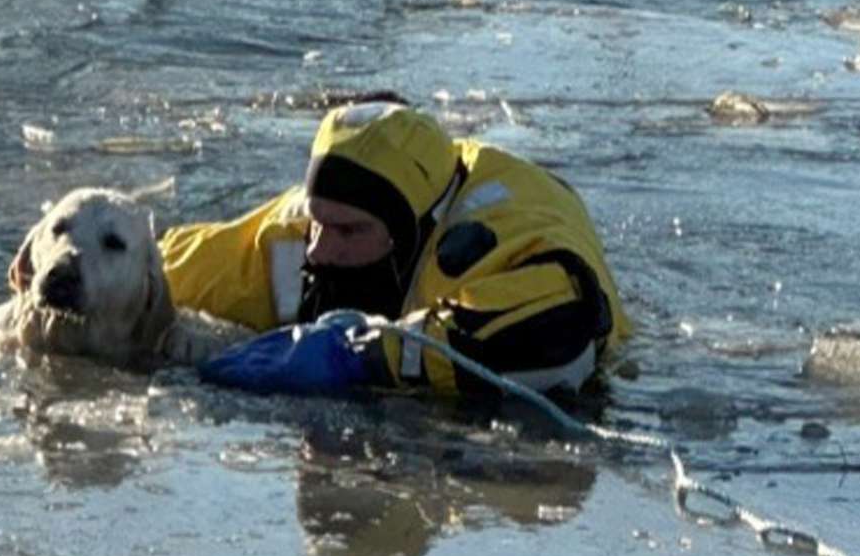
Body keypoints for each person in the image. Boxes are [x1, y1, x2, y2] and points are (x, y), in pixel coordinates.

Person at [158, 99, 630, 397]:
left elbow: (564, 323)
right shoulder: (298, 229)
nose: (319, 252)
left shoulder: (494, 240)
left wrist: (365, 357)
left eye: (348, 233)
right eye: (317, 224)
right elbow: (153, 265)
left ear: (412, 234)